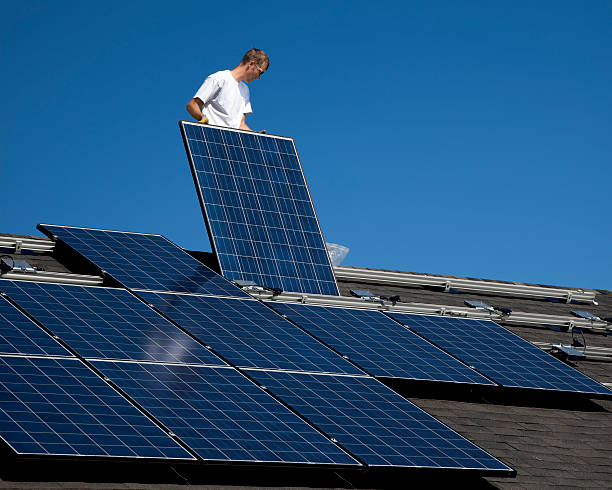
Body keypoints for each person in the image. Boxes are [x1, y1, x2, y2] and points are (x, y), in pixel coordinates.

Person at [186, 48, 269, 131]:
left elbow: (240, 124)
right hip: (212, 136)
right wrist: (203, 119)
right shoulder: (220, 78)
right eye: (260, 72)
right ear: (251, 64)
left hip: (231, 141)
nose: (259, 77)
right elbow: (192, 105)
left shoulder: (245, 90)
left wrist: (256, 137)